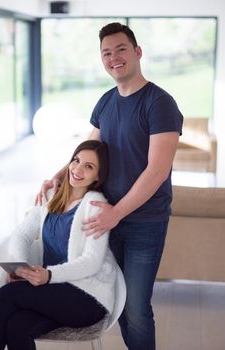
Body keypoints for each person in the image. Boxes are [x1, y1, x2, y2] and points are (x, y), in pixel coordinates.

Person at [35, 23, 183, 350]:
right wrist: (59, 175)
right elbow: (90, 150)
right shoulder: (105, 102)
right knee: (115, 298)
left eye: (120, 49)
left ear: (137, 52)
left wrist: (117, 213)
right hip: (105, 219)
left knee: (136, 308)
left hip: (144, 222)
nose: (113, 58)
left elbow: (157, 171)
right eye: (106, 53)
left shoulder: (160, 103)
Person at [0, 140, 118, 350]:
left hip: (87, 298)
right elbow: (22, 233)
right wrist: (20, 268)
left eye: (88, 167)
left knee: (9, 294)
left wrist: (49, 275)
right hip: (53, 293)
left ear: (98, 176)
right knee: (16, 327)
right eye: (76, 160)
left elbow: (91, 262)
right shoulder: (53, 195)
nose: (78, 169)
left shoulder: (96, 205)